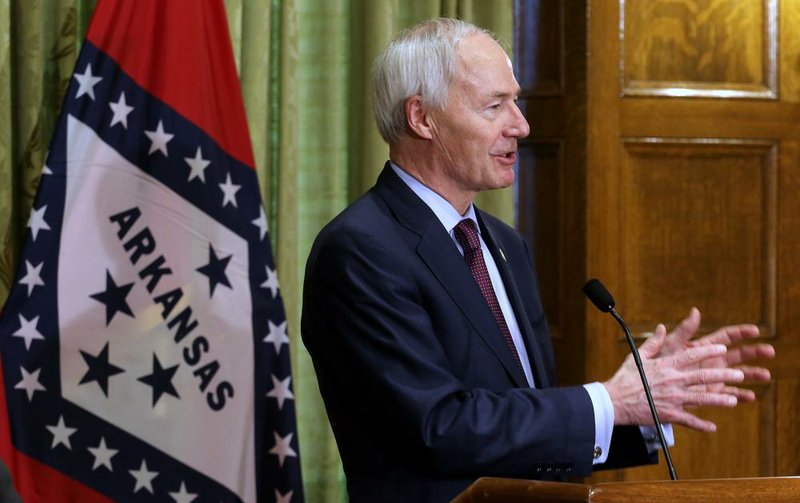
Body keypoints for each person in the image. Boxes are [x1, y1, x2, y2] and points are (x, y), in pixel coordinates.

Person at [300, 18, 775, 503]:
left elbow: (523, 424)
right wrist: (609, 402)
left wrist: (647, 405)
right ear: (422, 118)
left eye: (516, 101)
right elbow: (437, 427)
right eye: (494, 106)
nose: (521, 125)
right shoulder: (361, 250)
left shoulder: (504, 243)